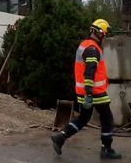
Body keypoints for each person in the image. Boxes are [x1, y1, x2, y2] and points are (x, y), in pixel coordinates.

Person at [51, 19, 122, 159]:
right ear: (99, 33)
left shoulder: (84, 45)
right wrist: (89, 91)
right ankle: (106, 149)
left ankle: (60, 137)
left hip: (84, 91)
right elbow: (89, 71)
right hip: (94, 92)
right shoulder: (92, 49)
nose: (105, 37)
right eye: (104, 34)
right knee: (107, 118)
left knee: (83, 118)